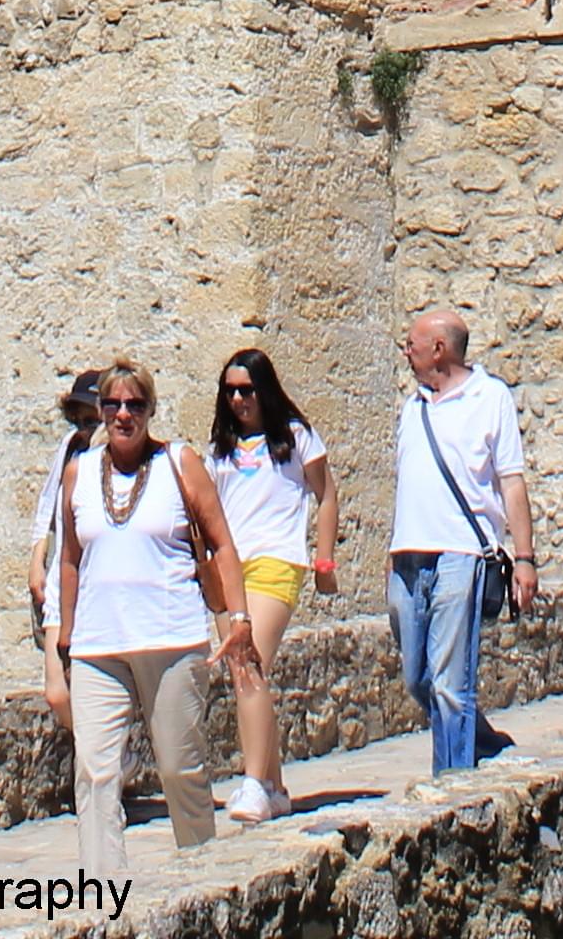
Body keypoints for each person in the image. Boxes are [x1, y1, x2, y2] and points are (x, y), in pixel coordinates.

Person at [51, 362, 255, 878]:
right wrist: (66, 632)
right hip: (99, 644)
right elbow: (70, 557)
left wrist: (239, 619)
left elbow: (223, 544)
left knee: (178, 768)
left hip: (171, 638)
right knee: (95, 774)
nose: (124, 414)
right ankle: (103, 897)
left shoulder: (178, 463)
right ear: (100, 411)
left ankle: (201, 880)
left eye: (135, 405)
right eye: (113, 405)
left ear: (150, 410)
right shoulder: (78, 472)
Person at [386, 309, 535, 773]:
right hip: (407, 556)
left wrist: (525, 559)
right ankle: (481, 740)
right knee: (417, 678)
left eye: (411, 343)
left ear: (439, 349)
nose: (406, 352)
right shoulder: (414, 407)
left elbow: (511, 482)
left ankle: (450, 784)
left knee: (451, 683)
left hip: (461, 555)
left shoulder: (490, 398)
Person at [205, 349, 335, 818]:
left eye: (248, 389)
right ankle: (276, 787)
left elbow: (325, 496)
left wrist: (324, 560)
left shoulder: (296, 438)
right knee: (244, 674)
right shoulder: (219, 450)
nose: (239, 399)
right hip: (228, 571)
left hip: (277, 562)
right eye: (231, 390)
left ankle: (254, 782)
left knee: (248, 663)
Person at [28, 366, 108, 731]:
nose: (86, 425)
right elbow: (48, 503)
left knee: (90, 687)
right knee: (57, 692)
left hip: (95, 588)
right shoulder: (71, 447)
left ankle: (103, 760)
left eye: (93, 417)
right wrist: (36, 558)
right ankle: (109, 757)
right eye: (80, 416)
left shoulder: (113, 456)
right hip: (62, 585)